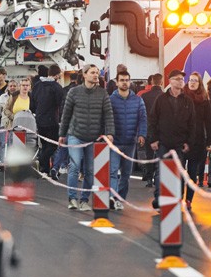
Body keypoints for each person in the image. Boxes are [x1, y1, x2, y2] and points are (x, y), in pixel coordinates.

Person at [58, 64, 114, 211]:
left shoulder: (103, 93)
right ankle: (72, 199)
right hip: (75, 135)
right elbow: (66, 115)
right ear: (84, 74)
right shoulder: (73, 92)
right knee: (75, 167)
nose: (96, 75)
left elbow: (108, 114)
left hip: (93, 137)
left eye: (97, 73)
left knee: (90, 170)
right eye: (92, 72)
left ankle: (84, 200)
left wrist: (110, 133)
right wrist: (62, 135)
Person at [147, 70, 196, 208]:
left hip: (180, 143)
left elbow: (192, 123)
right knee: (161, 172)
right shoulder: (161, 99)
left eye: (182, 79)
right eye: (177, 78)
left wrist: (189, 142)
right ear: (170, 81)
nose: (181, 81)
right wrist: (153, 139)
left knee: (178, 173)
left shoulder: (187, 101)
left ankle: (176, 199)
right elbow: (153, 120)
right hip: (163, 141)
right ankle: (158, 198)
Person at [108, 69, 147, 209]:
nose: (125, 83)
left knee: (126, 174)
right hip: (114, 143)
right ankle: (112, 197)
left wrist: (142, 134)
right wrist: (108, 133)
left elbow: (143, 118)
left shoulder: (138, 100)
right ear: (117, 82)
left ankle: (120, 199)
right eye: (122, 80)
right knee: (112, 172)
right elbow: (107, 119)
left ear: (130, 82)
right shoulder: (110, 100)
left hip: (130, 143)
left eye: (127, 80)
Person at [183, 72, 211, 208]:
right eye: (190, 80)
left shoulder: (204, 100)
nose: (192, 82)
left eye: (195, 81)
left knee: (192, 172)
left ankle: (189, 199)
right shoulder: (182, 96)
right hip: (182, 139)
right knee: (179, 171)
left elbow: (209, 122)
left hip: (197, 141)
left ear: (199, 83)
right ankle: (178, 196)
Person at [30, 64, 65, 175]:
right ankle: (43, 161)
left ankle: (44, 169)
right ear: (57, 75)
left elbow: (32, 103)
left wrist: (37, 113)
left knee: (44, 145)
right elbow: (61, 104)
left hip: (39, 120)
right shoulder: (56, 87)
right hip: (52, 121)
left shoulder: (37, 85)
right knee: (54, 145)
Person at [139, 73, 164, 188]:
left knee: (149, 154)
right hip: (162, 131)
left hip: (148, 129)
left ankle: (149, 178)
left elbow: (142, 115)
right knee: (160, 155)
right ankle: (157, 177)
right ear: (162, 82)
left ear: (152, 82)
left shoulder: (144, 96)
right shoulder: (165, 96)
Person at [0, 80, 19, 170]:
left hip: (18, 125)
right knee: (3, 144)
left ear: (17, 87)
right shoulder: (2, 97)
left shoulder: (21, 97)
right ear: (8, 87)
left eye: (14, 85)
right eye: (11, 86)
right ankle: (2, 163)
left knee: (15, 145)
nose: (12, 87)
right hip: (4, 124)